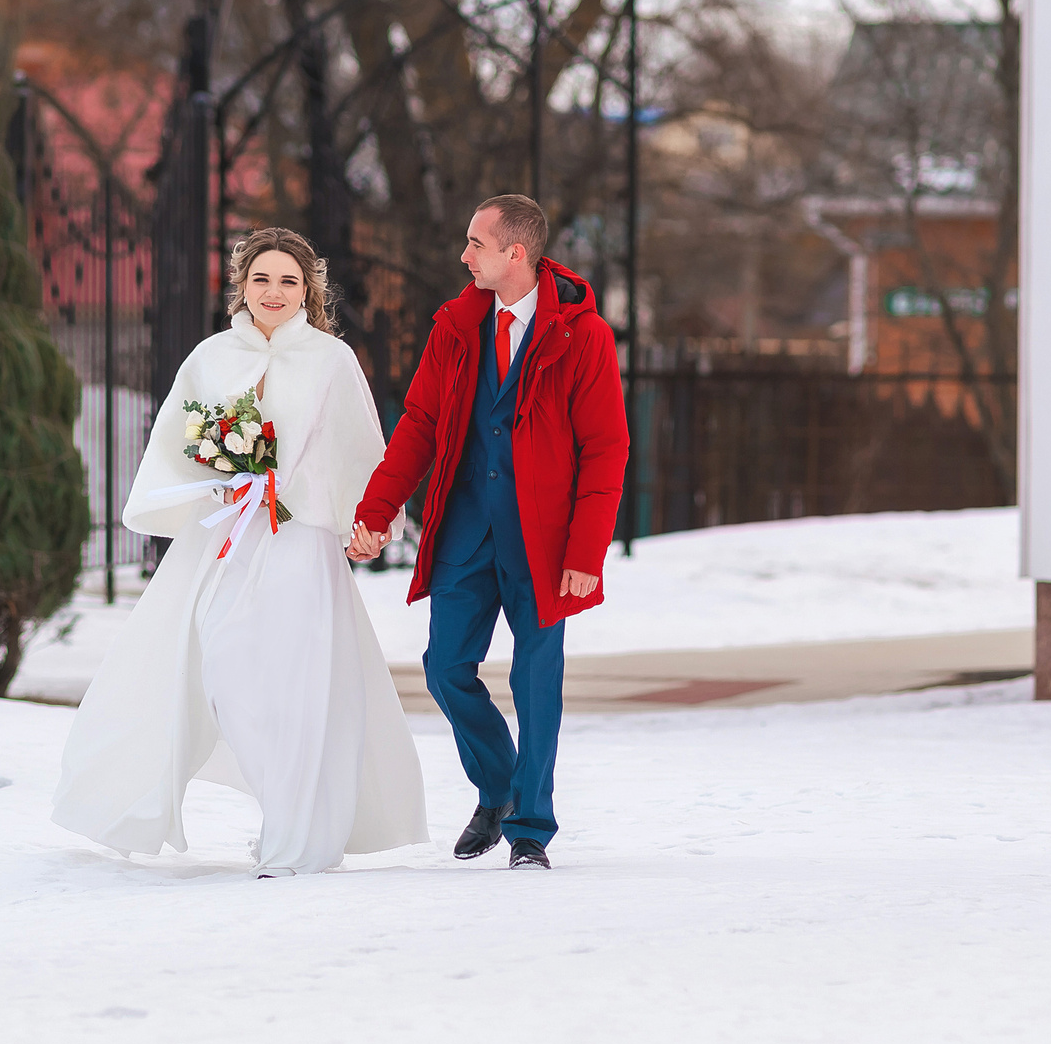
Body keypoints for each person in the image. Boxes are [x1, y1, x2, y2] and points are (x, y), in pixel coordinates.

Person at [52, 228, 427, 876]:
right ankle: (281, 808)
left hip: (299, 540)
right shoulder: (211, 357)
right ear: (242, 286)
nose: (274, 292)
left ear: (308, 288)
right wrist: (223, 468)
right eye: (262, 279)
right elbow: (178, 438)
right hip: (228, 538)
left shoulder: (332, 360)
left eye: (288, 280)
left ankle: (295, 835)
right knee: (226, 669)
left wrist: (364, 521)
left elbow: (358, 448)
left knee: (297, 684)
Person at [346, 195, 628, 869]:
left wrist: (586, 552)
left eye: (476, 243)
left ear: (515, 253)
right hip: (467, 530)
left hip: (546, 540)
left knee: (537, 682)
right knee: (445, 668)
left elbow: (606, 449)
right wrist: (377, 512)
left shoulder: (583, 335)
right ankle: (498, 788)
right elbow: (417, 426)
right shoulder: (456, 328)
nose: (464, 255)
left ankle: (531, 827)